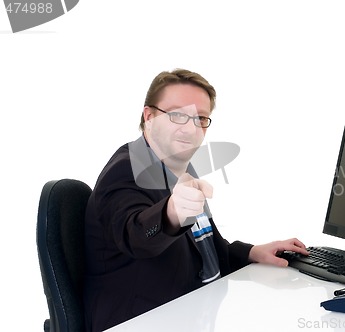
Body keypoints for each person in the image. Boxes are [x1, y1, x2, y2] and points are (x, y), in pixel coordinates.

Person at [83, 68, 309, 331]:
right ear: (149, 116)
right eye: (178, 115)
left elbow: (206, 247)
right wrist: (170, 214)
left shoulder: (180, 166)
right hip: (143, 321)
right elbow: (136, 235)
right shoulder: (126, 170)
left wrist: (252, 252)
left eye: (200, 118)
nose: (190, 128)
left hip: (199, 313)